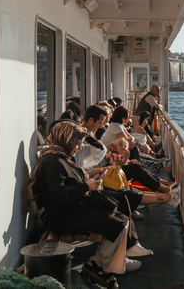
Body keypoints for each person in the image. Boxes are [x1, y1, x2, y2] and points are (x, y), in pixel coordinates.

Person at [33, 122, 140, 289]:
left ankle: (97, 261)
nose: (79, 147)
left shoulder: (61, 157)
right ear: (65, 140)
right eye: (76, 143)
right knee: (117, 224)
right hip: (64, 217)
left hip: (74, 209)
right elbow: (57, 194)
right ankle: (101, 265)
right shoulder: (54, 162)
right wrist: (86, 187)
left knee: (121, 217)